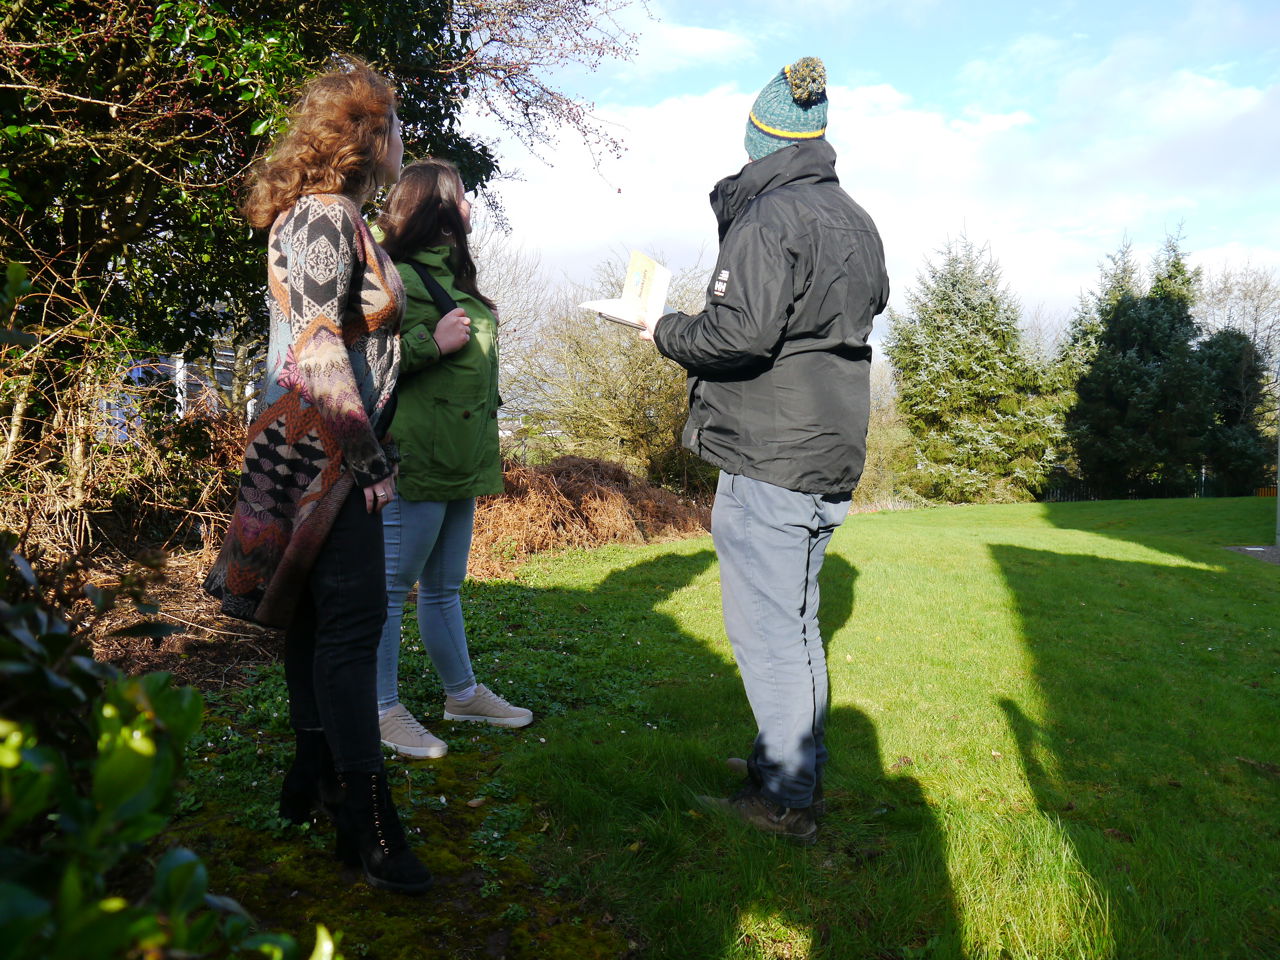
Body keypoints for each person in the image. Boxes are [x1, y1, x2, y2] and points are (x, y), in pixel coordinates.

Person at [642, 57, 889, 844]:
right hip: (829, 449)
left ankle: (784, 798)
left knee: (767, 633)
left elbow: (737, 335)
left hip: (770, 453)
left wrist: (661, 329)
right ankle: (787, 769)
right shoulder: (855, 218)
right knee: (801, 624)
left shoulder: (769, 218)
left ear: (759, 140)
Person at [202, 60, 431, 893]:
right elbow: (318, 346)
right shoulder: (327, 217)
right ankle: (372, 827)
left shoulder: (324, 217)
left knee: (317, 619)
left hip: (318, 451)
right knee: (352, 626)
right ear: (370, 138)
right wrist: (369, 460)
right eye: (398, 127)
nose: (406, 140)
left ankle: (318, 780)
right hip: (329, 457)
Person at [371, 158, 532, 760]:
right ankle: (381, 710)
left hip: (459, 460)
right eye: (461, 197)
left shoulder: (453, 279)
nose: (469, 207)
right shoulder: (395, 277)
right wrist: (429, 343)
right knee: (391, 592)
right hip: (414, 459)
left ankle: (461, 695)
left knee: (443, 589)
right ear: (437, 208)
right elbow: (359, 356)